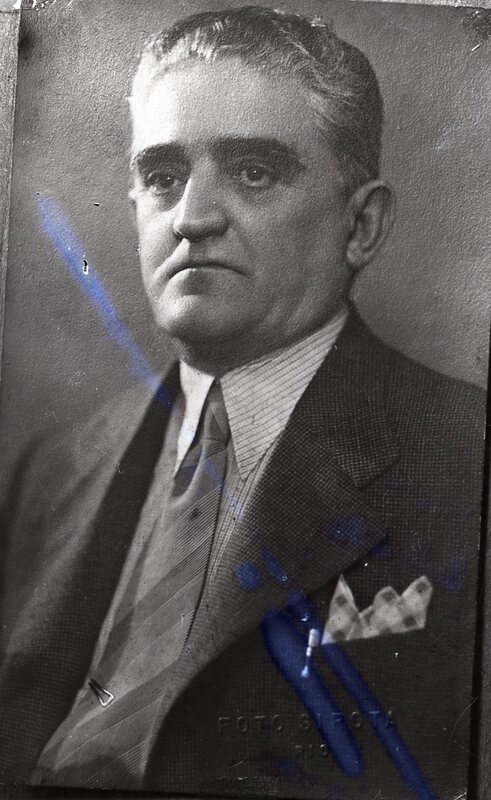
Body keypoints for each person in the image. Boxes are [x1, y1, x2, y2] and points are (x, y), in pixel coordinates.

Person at [0, 6, 485, 799]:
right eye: (163, 177)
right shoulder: (55, 467)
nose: (192, 218)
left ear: (361, 225)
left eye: (254, 172)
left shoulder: (463, 454)